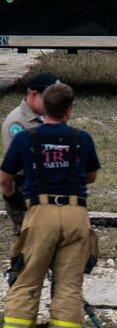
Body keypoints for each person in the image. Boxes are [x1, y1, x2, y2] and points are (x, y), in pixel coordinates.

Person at [0, 83, 99, 328]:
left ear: (43, 106)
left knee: (27, 279)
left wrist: (14, 201)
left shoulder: (25, 139)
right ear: (69, 110)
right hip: (75, 214)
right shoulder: (83, 138)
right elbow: (90, 176)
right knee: (69, 285)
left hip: (40, 213)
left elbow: (5, 178)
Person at [3, 72, 60, 232]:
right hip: (26, 188)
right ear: (34, 95)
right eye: (49, 99)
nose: (54, 104)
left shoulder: (46, 117)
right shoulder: (17, 123)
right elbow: (16, 165)